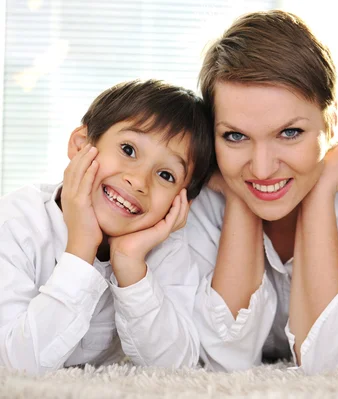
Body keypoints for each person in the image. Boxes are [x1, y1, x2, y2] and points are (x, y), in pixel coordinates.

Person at [188, 10, 338, 374]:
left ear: (330, 121)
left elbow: (334, 360)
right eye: (235, 136)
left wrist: (321, 192)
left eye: (289, 133)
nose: (261, 168)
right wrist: (239, 198)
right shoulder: (199, 189)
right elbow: (224, 359)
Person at [0, 79, 213, 374]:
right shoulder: (15, 224)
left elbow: (177, 366)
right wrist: (81, 247)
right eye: (128, 149)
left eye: (166, 174)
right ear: (81, 144)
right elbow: (14, 366)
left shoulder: (164, 246)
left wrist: (130, 264)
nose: (138, 181)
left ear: (181, 202)